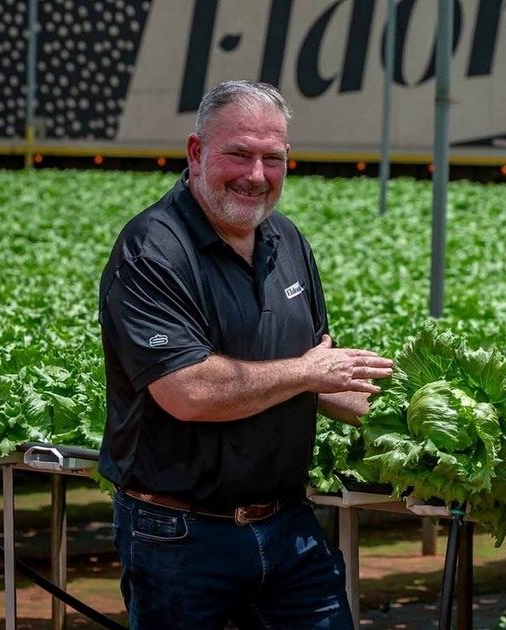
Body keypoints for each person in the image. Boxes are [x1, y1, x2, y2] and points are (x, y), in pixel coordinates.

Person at [96, 80, 394, 630]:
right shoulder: (153, 250)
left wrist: (422, 419)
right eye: (239, 154)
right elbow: (189, 392)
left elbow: (323, 375)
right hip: (179, 534)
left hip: (287, 525)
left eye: (272, 159)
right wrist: (307, 371)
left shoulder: (286, 241)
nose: (256, 176)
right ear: (196, 152)